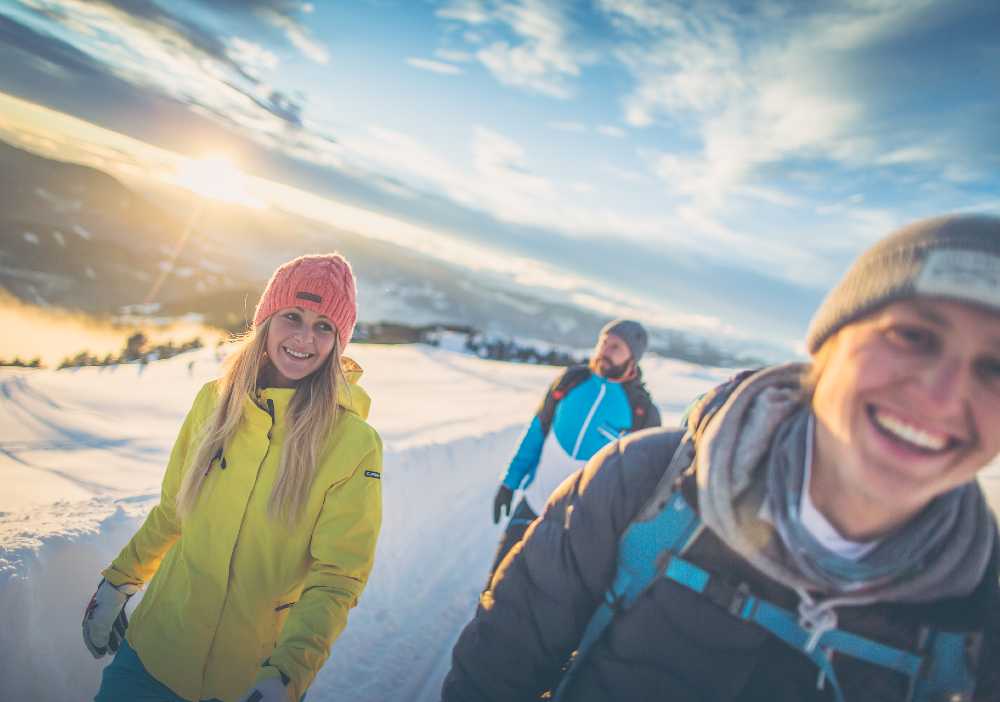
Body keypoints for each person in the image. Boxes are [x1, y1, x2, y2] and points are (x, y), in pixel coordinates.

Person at [444, 214, 1000, 701]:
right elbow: (498, 668)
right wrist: (513, 480)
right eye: (913, 336)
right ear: (827, 348)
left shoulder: (983, 617)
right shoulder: (641, 484)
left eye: (995, 368)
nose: (944, 394)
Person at [82, 254, 383, 702]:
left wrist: (287, 671)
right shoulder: (215, 401)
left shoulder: (353, 445)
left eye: (325, 327)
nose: (304, 337)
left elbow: (337, 577)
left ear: (340, 342)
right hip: (153, 650)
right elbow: (173, 511)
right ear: (266, 320)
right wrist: (119, 581)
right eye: (292, 316)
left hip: (244, 679)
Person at [488, 320, 660, 583]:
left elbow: (636, 484)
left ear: (633, 357)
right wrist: (510, 483)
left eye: (616, 346)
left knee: (537, 597)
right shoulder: (572, 380)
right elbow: (537, 432)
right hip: (533, 504)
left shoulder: (641, 412)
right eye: (603, 342)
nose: (605, 350)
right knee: (497, 582)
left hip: (576, 529)